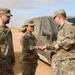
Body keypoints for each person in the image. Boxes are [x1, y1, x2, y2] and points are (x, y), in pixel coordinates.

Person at [43, 9, 75, 75]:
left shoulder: (68, 26)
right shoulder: (61, 28)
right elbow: (58, 43)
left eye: (54, 17)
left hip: (69, 60)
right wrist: (46, 47)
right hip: (64, 59)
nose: (54, 19)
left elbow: (71, 40)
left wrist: (60, 45)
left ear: (58, 17)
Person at [0, 8, 15, 75]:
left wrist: (13, 59)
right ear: (0, 15)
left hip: (9, 64)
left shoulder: (8, 30)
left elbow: (10, 46)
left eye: (10, 16)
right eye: (7, 16)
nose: (9, 18)